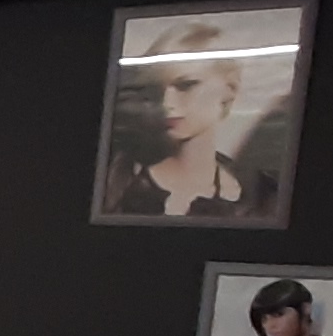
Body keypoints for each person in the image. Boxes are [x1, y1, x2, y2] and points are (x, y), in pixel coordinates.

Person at [102, 21, 284, 222]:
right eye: (157, 89)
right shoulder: (117, 186)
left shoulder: (262, 195)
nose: (167, 103)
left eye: (186, 85)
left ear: (230, 89)